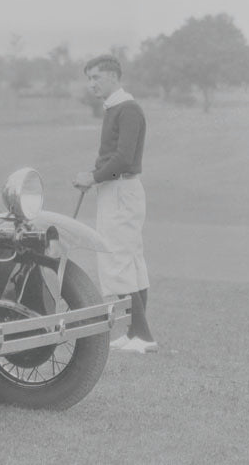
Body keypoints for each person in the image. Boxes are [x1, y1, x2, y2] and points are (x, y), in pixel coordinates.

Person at [73, 55, 157, 354]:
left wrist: (92, 177)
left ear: (112, 76)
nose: (91, 84)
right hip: (115, 188)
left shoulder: (128, 109)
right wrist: (95, 177)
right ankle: (134, 333)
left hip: (122, 189)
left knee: (120, 258)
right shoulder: (115, 108)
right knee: (129, 259)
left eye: (96, 77)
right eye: (89, 78)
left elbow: (122, 158)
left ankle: (144, 336)